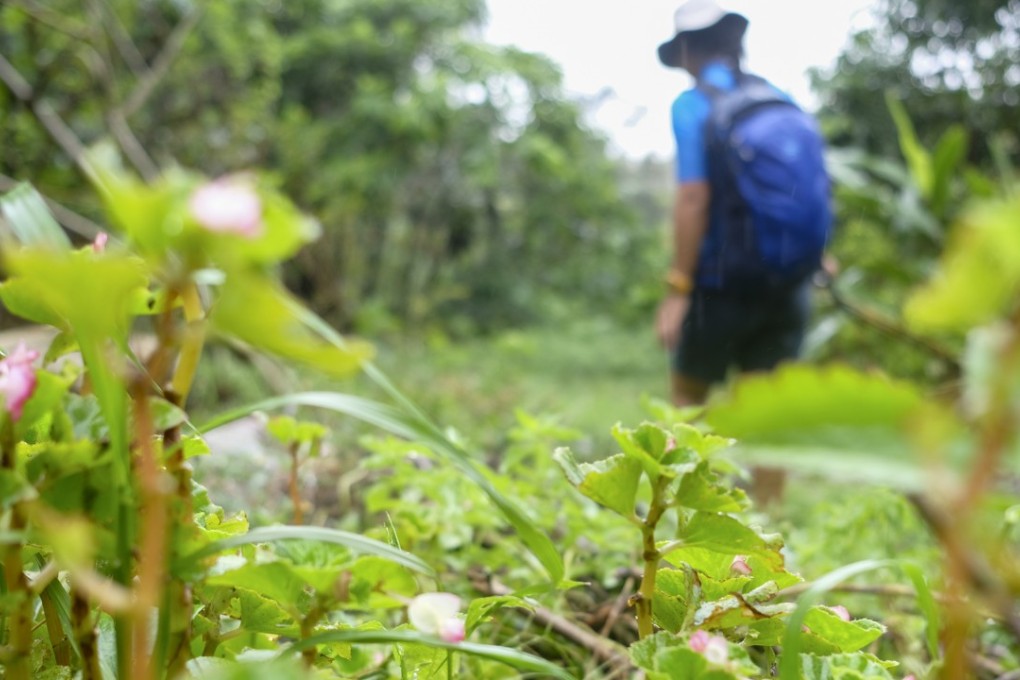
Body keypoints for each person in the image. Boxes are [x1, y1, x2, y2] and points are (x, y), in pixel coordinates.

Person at [654, 0, 829, 408]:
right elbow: (810, 183)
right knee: (767, 416)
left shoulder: (690, 105)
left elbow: (694, 196)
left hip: (720, 283)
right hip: (789, 281)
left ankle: (685, 474)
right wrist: (818, 253)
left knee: (687, 397)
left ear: (685, 51)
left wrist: (679, 288)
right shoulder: (781, 98)